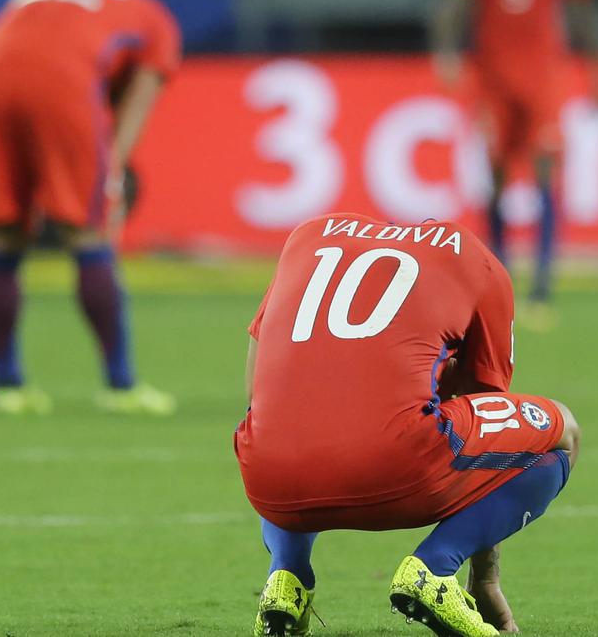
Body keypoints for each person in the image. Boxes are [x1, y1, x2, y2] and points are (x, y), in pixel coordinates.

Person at [238, 213, 580, 637]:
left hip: (268, 479)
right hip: (396, 465)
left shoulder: (308, 235)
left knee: (283, 417)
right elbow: (488, 411)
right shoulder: (480, 262)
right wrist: (486, 577)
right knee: (562, 430)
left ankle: (285, 578)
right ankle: (435, 569)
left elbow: (257, 389)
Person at [0, 0, 180, 415]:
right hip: (64, 82)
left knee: (5, 233)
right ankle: (121, 386)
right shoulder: (159, 21)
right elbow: (137, 102)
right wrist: (109, 173)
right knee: (86, 236)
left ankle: (9, 385)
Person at [432, 0, 598, 327]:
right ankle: (499, 279)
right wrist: (446, 52)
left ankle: (543, 286)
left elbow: (581, 8)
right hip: (494, 81)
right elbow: (454, 4)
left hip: (543, 79)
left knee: (546, 171)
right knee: (496, 179)